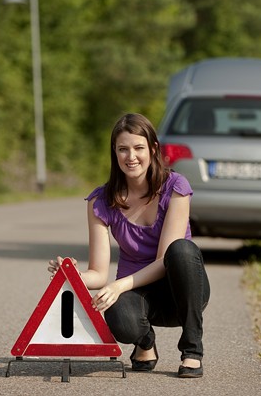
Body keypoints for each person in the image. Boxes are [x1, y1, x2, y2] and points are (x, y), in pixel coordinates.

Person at [48, 113, 210, 378]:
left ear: (153, 149)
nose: (131, 156)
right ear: (115, 152)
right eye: (123, 149)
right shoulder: (100, 201)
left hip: (182, 292)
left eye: (138, 148)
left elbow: (163, 261)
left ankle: (192, 349)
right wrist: (69, 273)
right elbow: (99, 273)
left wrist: (119, 284)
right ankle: (145, 342)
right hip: (140, 296)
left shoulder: (176, 187)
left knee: (181, 250)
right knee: (118, 317)